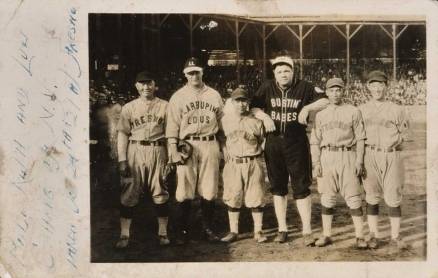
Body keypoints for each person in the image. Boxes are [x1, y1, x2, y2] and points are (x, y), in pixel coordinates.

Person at [251, 51, 329, 245]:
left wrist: (307, 108)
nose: (283, 74)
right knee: (278, 188)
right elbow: (254, 107)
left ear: (293, 72)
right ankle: (282, 229)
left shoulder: (304, 86)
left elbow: (325, 100)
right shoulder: (267, 87)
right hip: (274, 142)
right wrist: (264, 116)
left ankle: (307, 230)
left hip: (297, 141)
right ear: (275, 73)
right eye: (279, 71)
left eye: (287, 71)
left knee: (301, 186)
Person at [166, 57, 224, 244]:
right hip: (187, 146)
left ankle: (207, 229)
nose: (194, 75)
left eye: (196, 71)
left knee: (209, 188)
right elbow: (172, 126)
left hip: (210, 142)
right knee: (184, 189)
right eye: (190, 73)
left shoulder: (214, 95)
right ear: (185, 75)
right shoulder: (178, 96)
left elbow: (222, 123)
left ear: (202, 72)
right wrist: (173, 150)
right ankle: (183, 231)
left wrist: (224, 148)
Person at [310, 78, 368, 249]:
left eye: (338, 90)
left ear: (344, 91)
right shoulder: (320, 115)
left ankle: (360, 236)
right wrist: (316, 162)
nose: (335, 93)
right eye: (332, 90)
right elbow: (315, 141)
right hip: (327, 156)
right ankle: (327, 235)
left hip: (347, 155)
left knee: (354, 197)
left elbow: (360, 138)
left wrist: (359, 160)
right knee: (327, 197)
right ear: (326, 93)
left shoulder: (353, 111)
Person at [115, 71, 170, 248]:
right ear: (137, 86)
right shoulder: (129, 107)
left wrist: (171, 159)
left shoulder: (166, 106)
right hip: (135, 149)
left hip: (158, 149)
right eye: (142, 83)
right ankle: (124, 235)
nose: (146, 87)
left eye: (149, 83)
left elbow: (171, 135)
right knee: (129, 191)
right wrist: (122, 159)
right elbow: (123, 133)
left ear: (155, 85)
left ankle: (163, 233)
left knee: (160, 190)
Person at [359, 70, 409, 250]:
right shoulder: (362, 109)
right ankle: (374, 234)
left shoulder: (397, 109)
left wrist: (392, 149)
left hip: (391, 154)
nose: (377, 88)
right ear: (368, 87)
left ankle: (395, 236)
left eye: (381, 84)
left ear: (386, 87)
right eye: (373, 84)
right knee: (371, 196)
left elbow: (404, 136)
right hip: (369, 154)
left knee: (393, 196)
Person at [220, 88, 268, 244]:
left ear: (248, 103)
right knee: (233, 197)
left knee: (256, 197)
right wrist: (224, 149)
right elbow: (220, 137)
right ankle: (234, 231)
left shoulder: (256, 120)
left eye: (244, 101)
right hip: (233, 163)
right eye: (237, 101)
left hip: (253, 161)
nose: (241, 104)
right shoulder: (225, 120)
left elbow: (263, 141)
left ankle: (258, 231)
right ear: (232, 102)